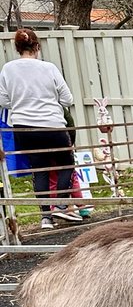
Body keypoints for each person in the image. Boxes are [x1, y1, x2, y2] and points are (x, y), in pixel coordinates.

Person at [0, 27, 84, 229]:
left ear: (17, 48)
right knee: (66, 163)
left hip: (24, 127)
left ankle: (46, 217)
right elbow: (68, 99)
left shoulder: (8, 69)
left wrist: (21, 104)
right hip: (52, 125)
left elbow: (3, 100)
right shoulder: (49, 68)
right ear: (37, 46)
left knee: (40, 171)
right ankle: (62, 203)